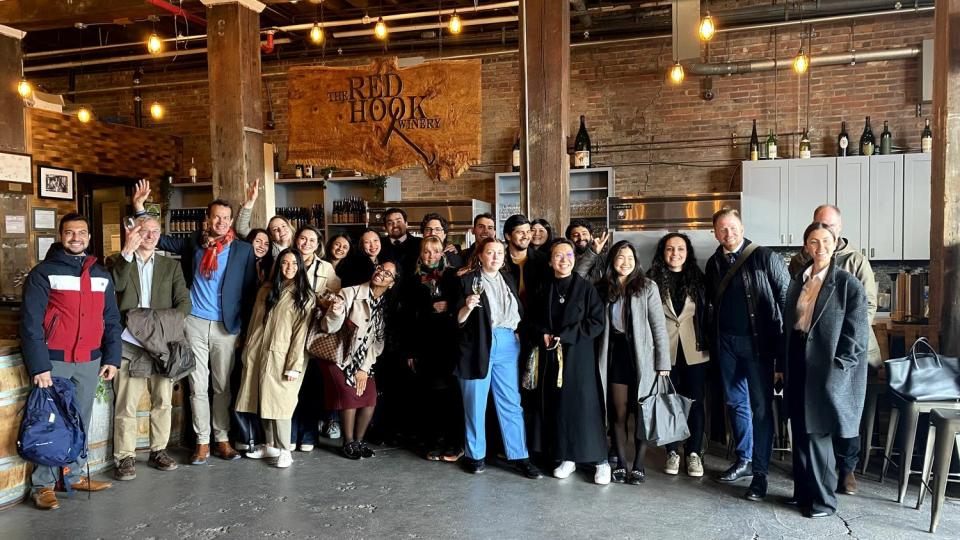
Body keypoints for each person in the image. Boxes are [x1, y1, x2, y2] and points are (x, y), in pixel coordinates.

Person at [133, 179, 258, 465]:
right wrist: (140, 209)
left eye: (226, 218)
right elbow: (158, 239)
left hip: (227, 327)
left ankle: (222, 438)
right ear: (208, 219)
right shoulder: (193, 243)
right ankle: (202, 442)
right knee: (197, 386)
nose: (221, 222)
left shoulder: (242, 250)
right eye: (216, 217)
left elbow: (250, 293)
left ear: (230, 221)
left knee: (222, 386)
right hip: (195, 324)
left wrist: (245, 331)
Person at [20, 213, 122, 510]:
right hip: (55, 363)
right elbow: (31, 323)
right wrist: (39, 365)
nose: (76, 237)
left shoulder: (101, 275)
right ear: (60, 235)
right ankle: (43, 486)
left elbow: (112, 320)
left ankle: (74, 475)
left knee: (81, 421)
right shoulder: (44, 273)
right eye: (69, 232)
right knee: (50, 424)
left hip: (90, 362)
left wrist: (112, 357)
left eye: (81, 232)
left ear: (89, 237)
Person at [787, 204, 879, 495]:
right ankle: (808, 490)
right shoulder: (800, 270)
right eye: (816, 234)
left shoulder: (854, 266)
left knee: (838, 418)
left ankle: (846, 471)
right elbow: (794, 313)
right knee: (808, 424)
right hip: (805, 355)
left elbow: (865, 310)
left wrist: (842, 358)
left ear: (838, 232)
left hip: (837, 355)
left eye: (828, 232)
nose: (821, 241)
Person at [705, 207, 789, 501]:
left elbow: (786, 300)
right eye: (722, 229)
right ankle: (743, 459)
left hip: (759, 345)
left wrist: (782, 352)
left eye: (733, 227)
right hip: (726, 345)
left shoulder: (765, 256)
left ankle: (761, 476)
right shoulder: (714, 262)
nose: (729, 233)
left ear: (742, 227)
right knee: (736, 404)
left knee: (762, 409)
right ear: (714, 233)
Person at [110, 216, 192, 482]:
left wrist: (160, 326)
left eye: (155, 231)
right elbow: (116, 288)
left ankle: (159, 450)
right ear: (134, 233)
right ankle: (124, 456)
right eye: (145, 231)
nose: (151, 236)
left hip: (161, 345)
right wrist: (126, 253)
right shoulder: (118, 261)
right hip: (129, 343)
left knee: (163, 401)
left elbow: (183, 303)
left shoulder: (170, 266)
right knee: (126, 404)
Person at [453, 238, 542, 480]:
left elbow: (516, 312)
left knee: (511, 403)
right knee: (475, 404)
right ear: (480, 255)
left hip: (507, 343)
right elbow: (457, 320)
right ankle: (475, 455)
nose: (495, 257)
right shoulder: (466, 280)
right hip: (477, 345)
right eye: (490, 252)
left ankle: (519, 455)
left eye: (499, 253)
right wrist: (468, 306)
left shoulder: (508, 278)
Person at [529, 239, 609, 485]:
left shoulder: (586, 288)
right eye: (558, 255)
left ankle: (600, 461)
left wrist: (566, 335)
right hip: (551, 357)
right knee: (559, 407)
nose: (564, 259)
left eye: (568, 255)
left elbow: (597, 322)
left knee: (584, 406)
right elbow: (530, 319)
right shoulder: (543, 288)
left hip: (579, 356)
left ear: (575, 259)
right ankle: (567, 457)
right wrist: (542, 333)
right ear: (551, 260)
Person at [596, 240, 671, 485]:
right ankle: (620, 460)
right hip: (615, 353)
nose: (625, 262)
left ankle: (638, 464)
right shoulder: (604, 287)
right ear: (612, 261)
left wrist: (663, 363)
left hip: (643, 357)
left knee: (642, 413)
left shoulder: (647, 286)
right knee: (617, 413)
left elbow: (659, 327)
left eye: (629, 257)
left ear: (636, 261)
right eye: (619, 257)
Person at [235, 249, 316, 469]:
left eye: (293, 263)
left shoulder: (305, 296)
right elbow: (253, 321)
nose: (289, 267)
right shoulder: (267, 289)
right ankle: (269, 444)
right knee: (262, 400)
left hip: (283, 356)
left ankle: (285, 450)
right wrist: (247, 348)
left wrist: (294, 366)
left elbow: (301, 335)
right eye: (284, 263)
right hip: (258, 351)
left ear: (300, 267)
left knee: (281, 405)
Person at [321, 261, 399, 459]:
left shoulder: (385, 306)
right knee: (350, 395)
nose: (381, 273)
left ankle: (359, 441)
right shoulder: (350, 293)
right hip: (339, 356)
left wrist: (364, 367)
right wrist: (335, 312)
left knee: (370, 398)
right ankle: (347, 442)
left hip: (364, 359)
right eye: (380, 268)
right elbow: (329, 327)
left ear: (391, 283)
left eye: (387, 274)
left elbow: (378, 342)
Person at [647, 233, 710, 478]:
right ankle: (672, 451)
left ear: (687, 252)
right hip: (664, 354)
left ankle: (694, 453)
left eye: (681, 249)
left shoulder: (699, 278)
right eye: (670, 249)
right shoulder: (651, 280)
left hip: (695, 351)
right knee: (669, 403)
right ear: (662, 252)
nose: (675, 253)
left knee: (695, 403)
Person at [401, 236, 463, 461]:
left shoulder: (452, 276)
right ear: (420, 253)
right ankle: (435, 441)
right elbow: (407, 316)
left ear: (441, 253)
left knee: (450, 394)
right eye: (426, 251)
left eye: (435, 251)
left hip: (448, 343)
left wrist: (449, 307)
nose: (431, 255)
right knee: (429, 396)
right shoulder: (413, 279)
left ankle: (454, 442)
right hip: (424, 343)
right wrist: (410, 350)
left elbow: (463, 303)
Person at [289, 225, 342, 452]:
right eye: (303, 238)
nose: (307, 243)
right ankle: (289, 435)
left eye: (312, 239)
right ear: (296, 240)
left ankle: (308, 436)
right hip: (289, 332)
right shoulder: (287, 260)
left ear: (318, 243)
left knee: (310, 388)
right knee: (289, 387)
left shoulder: (326, 267)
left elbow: (336, 298)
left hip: (314, 333)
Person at [235, 178, 293, 256]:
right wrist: (251, 201)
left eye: (283, 226)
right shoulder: (269, 248)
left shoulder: (299, 243)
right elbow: (241, 229)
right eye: (275, 229)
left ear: (289, 226)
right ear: (271, 236)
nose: (281, 230)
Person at [502, 214, 549, 308]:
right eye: (520, 232)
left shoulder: (543, 260)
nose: (526, 236)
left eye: (528, 231)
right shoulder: (499, 261)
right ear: (508, 236)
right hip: (508, 319)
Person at [567, 218, 610, 284]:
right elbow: (577, 279)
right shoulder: (567, 261)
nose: (581, 238)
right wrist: (593, 252)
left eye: (584, 234)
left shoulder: (604, 260)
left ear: (591, 236)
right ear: (569, 239)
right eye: (576, 235)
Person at [383, 208, 421, 276]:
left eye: (398, 221)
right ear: (385, 227)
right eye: (390, 223)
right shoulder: (378, 245)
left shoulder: (420, 243)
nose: (395, 225)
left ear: (406, 224)